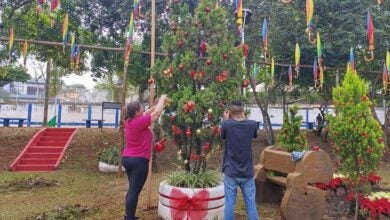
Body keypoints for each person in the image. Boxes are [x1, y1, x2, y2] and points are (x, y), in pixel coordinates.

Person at [122, 94, 167, 220]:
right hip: (138, 161)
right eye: (141, 107)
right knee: (134, 191)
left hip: (127, 159)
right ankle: (129, 218)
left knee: (133, 189)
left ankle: (130, 215)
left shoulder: (130, 120)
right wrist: (163, 98)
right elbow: (156, 115)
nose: (144, 108)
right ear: (136, 112)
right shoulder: (139, 122)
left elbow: (149, 111)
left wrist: (158, 104)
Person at [221, 100, 259, 220]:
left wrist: (226, 119)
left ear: (230, 112)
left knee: (229, 204)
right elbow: (254, 135)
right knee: (251, 203)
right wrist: (244, 118)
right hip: (247, 172)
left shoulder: (226, 125)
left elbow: (222, 137)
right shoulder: (252, 124)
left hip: (230, 171)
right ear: (243, 111)